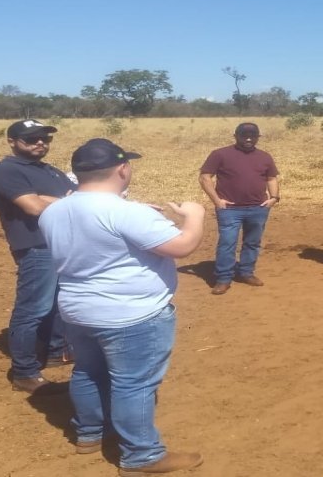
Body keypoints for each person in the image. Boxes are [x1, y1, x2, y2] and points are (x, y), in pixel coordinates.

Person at [39, 138, 206, 475]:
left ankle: (89, 433)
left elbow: (96, 227)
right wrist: (195, 215)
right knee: (134, 383)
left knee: (87, 370)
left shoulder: (54, 209)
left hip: (76, 309)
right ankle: (142, 455)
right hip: (130, 314)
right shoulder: (127, 212)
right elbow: (183, 245)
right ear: (122, 169)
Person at [0, 119, 76, 394]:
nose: (40, 143)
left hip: (61, 244)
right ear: (12, 141)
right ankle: (24, 371)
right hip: (36, 247)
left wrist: (57, 199)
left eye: (44, 138)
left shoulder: (50, 171)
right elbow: (34, 207)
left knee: (60, 303)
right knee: (33, 308)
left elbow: (76, 197)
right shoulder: (4, 172)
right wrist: (65, 201)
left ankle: (55, 352)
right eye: (31, 138)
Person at [198, 122, 281, 296]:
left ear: (258, 137)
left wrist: (274, 198)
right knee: (227, 243)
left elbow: (271, 178)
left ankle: (246, 272)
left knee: (252, 243)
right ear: (236, 136)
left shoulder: (265, 156)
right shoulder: (220, 154)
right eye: (244, 136)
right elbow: (205, 178)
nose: (248, 139)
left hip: (258, 208)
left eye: (252, 136)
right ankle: (223, 279)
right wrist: (216, 200)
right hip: (230, 209)